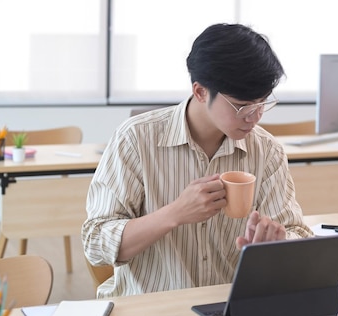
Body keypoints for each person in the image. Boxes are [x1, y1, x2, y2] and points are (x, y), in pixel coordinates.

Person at [82, 23, 313, 298]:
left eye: (262, 103)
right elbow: (96, 242)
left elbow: (297, 232)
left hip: (231, 308)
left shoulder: (267, 151)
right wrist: (176, 213)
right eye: (242, 106)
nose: (255, 116)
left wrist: (279, 241)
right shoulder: (135, 139)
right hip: (150, 313)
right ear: (201, 91)